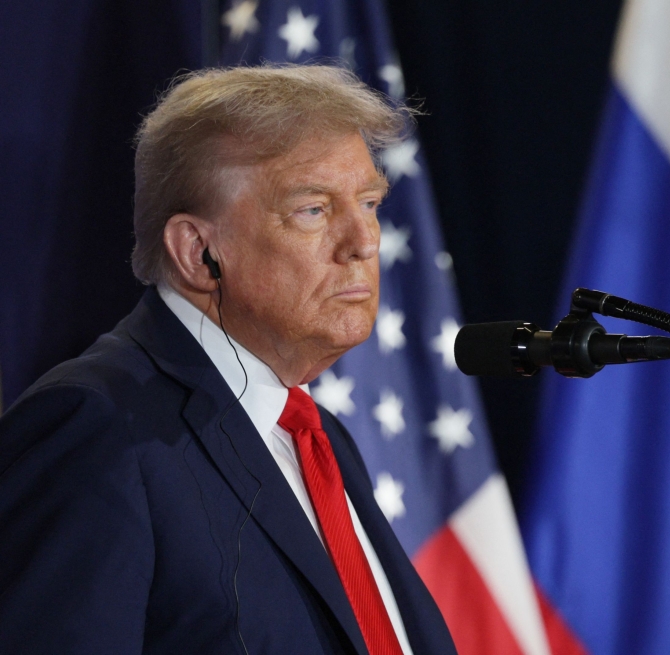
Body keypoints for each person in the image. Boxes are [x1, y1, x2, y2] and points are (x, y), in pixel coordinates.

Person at [0, 65, 456, 655]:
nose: (363, 242)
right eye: (312, 210)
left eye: (368, 202)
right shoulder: (98, 428)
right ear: (198, 252)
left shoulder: (318, 438)